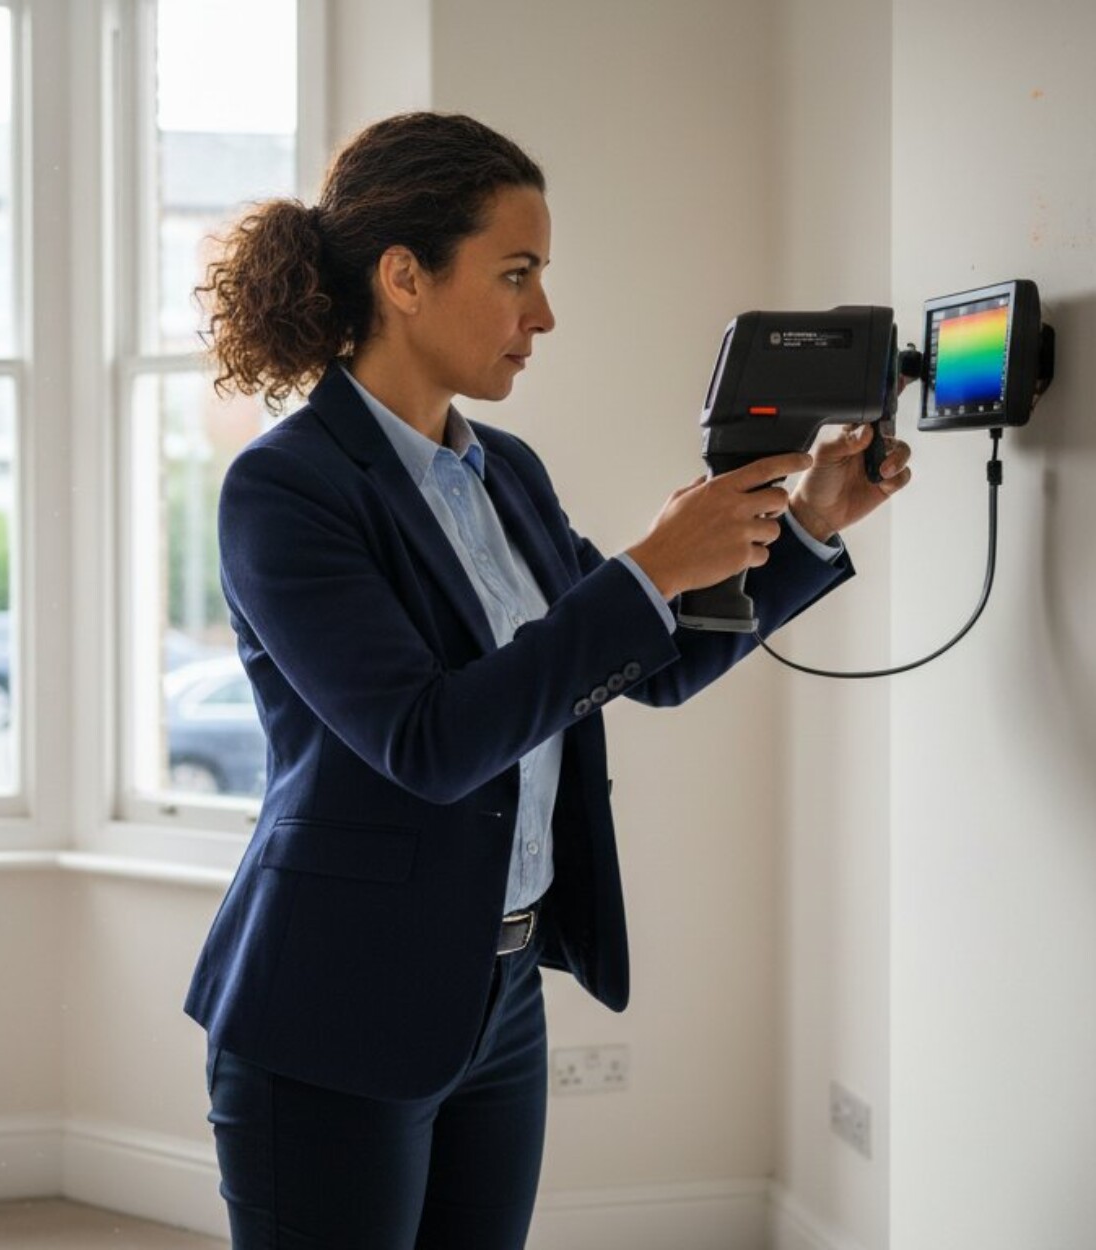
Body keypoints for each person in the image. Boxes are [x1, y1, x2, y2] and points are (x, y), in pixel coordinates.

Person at [184, 112, 911, 1249]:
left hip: (501, 992)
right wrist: (644, 567)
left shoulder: (505, 471)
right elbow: (428, 740)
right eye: (516, 274)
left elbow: (643, 665)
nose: (544, 314)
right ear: (404, 277)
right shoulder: (286, 490)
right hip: (334, 1002)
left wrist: (809, 523)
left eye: (544, 276)